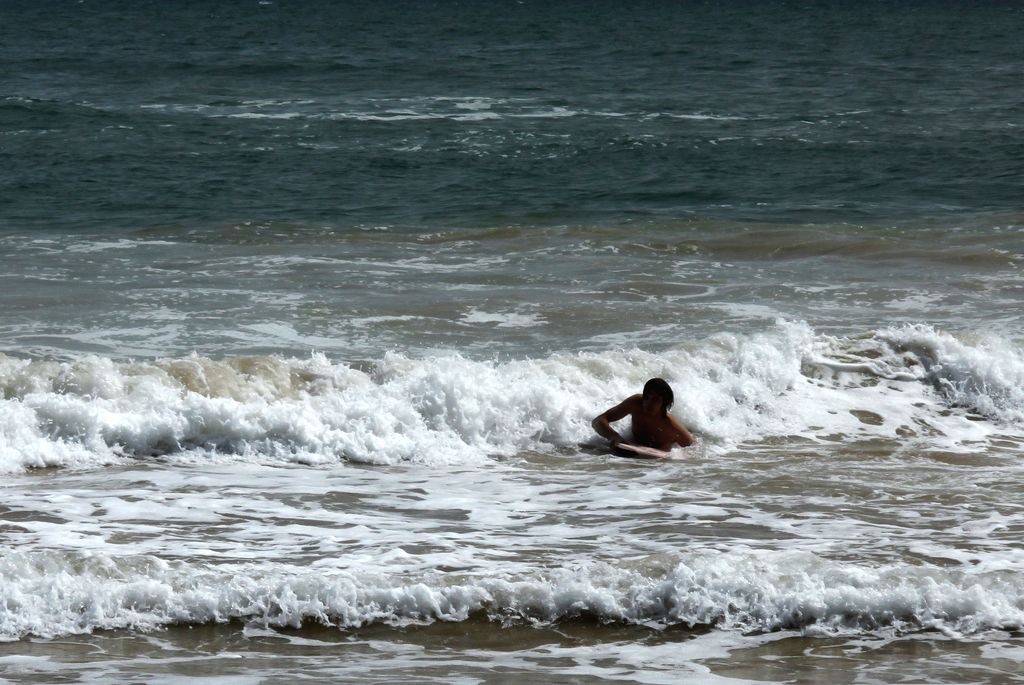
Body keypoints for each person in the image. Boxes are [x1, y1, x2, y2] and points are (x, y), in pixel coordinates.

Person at [592, 378, 694, 456]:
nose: (648, 403)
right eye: (647, 397)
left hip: (657, 463)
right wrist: (614, 436)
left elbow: (693, 450)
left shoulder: (671, 426)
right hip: (635, 451)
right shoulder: (635, 404)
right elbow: (598, 421)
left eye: (655, 399)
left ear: (665, 403)